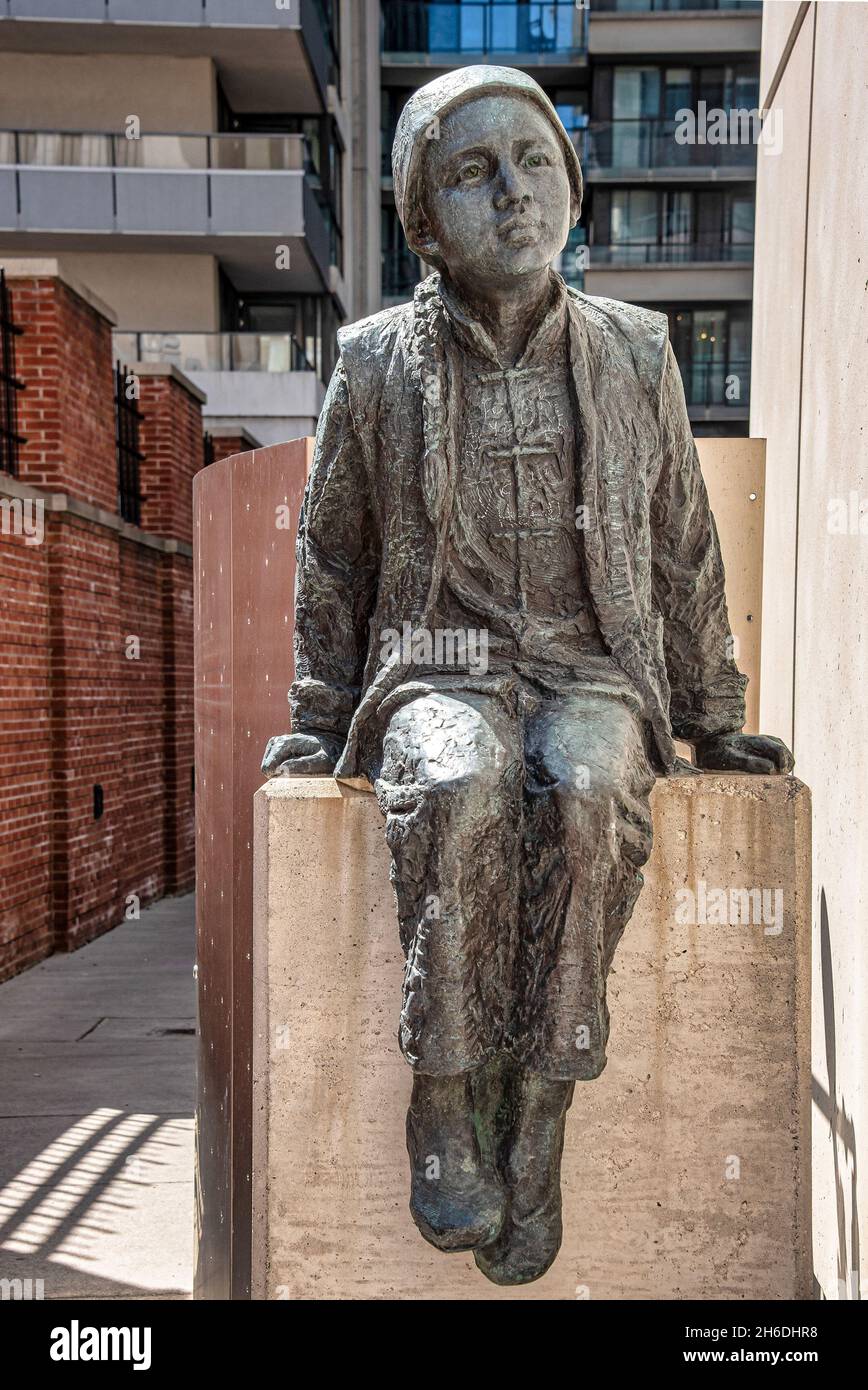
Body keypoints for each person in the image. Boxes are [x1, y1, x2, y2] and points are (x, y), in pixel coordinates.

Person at [262, 66, 793, 1285]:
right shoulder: (376, 362)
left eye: (536, 163)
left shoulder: (630, 350)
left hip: (588, 663)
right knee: (454, 778)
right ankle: (444, 1090)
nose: (514, 194)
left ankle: (547, 1098)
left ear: (574, 184)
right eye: (473, 173)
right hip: (435, 667)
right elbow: (333, 550)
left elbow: (678, 542)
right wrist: (317, 712)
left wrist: (713, 711)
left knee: (598, 781)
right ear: (421, 224)